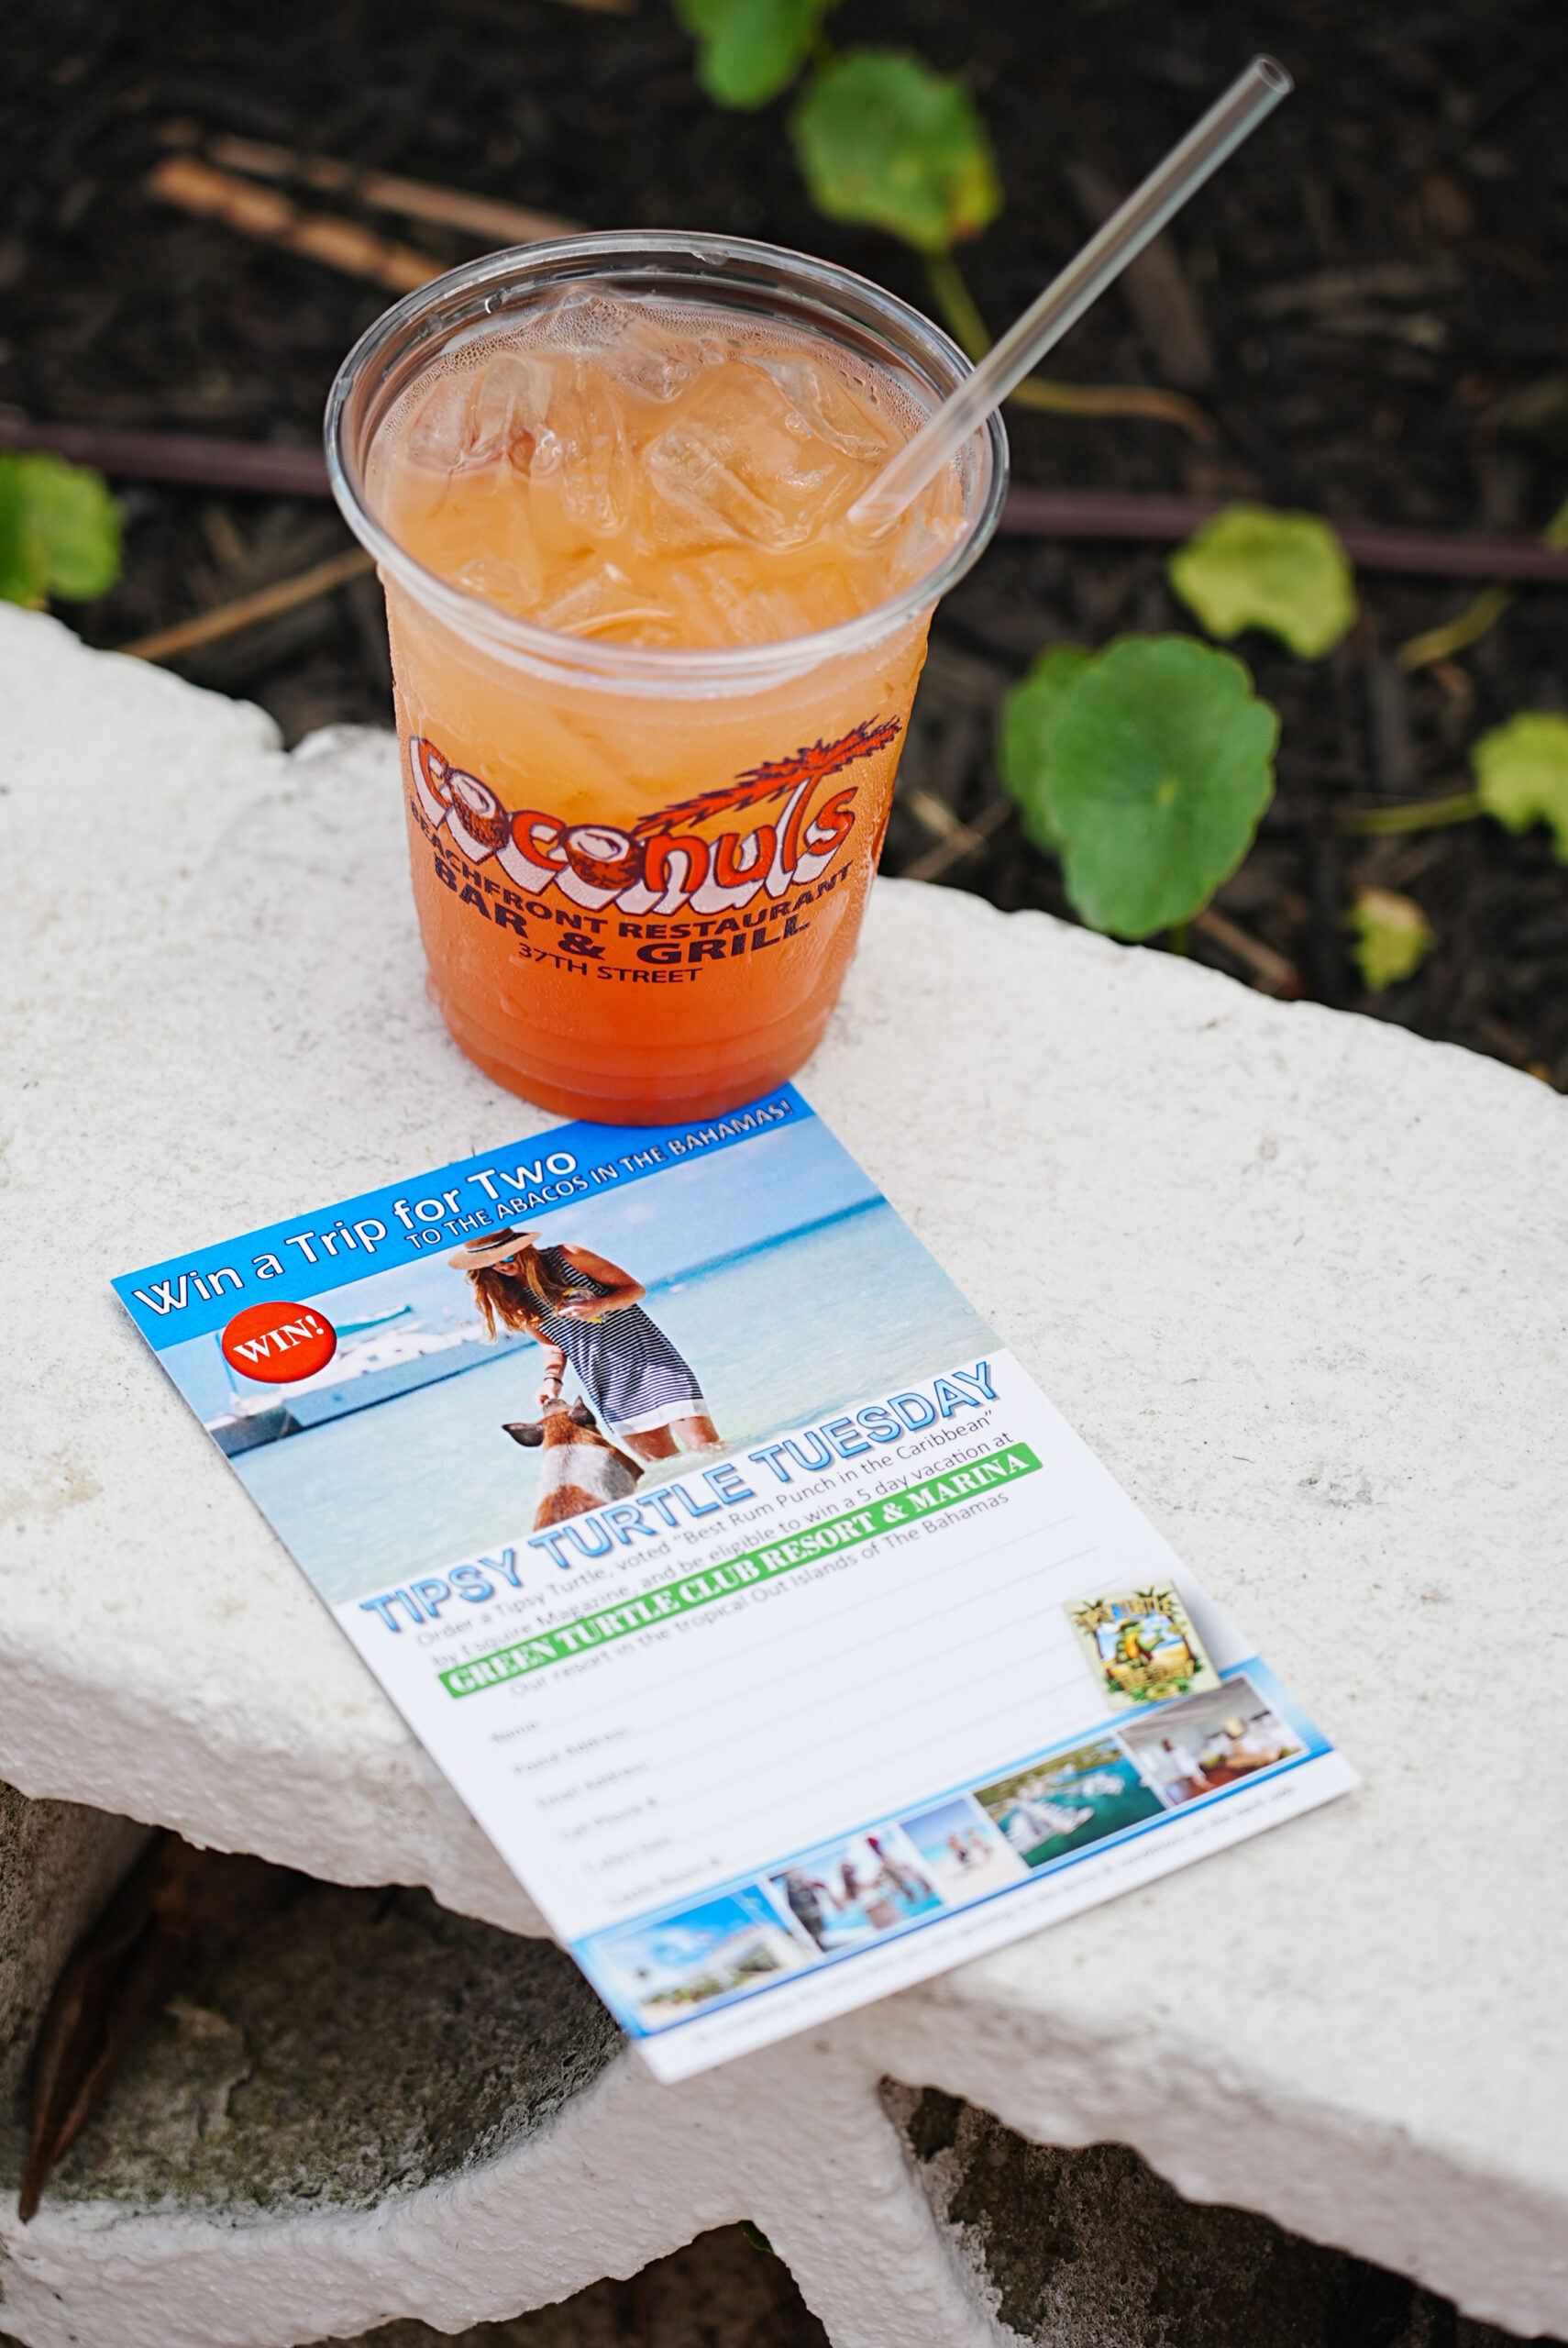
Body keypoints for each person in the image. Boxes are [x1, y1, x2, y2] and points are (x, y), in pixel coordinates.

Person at [450, 1225, 721, 1462]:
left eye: (506, 1256)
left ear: (523, 1247)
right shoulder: (509, 1295)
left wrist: (599, 1306)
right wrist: (551, 1379)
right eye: (491, 1263)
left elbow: (634, 1289)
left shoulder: (567, 1256)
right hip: (606, 1384)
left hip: (653, 1363)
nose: (502, 1266)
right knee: (668, 1467)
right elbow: (551, 1344)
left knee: (709, 1451)